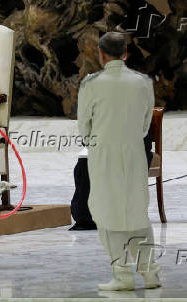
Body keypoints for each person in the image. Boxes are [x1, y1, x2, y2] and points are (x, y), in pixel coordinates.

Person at [78, 32, 160, 291]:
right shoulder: (143, 82)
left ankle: (122, 274)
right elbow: (146, 123)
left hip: (103, 154)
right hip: (136, 152)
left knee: (106, 211)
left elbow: (84, 126)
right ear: (125, 53)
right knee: (137, 210)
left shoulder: (91, 83)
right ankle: (150, 273)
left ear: (101, 55)